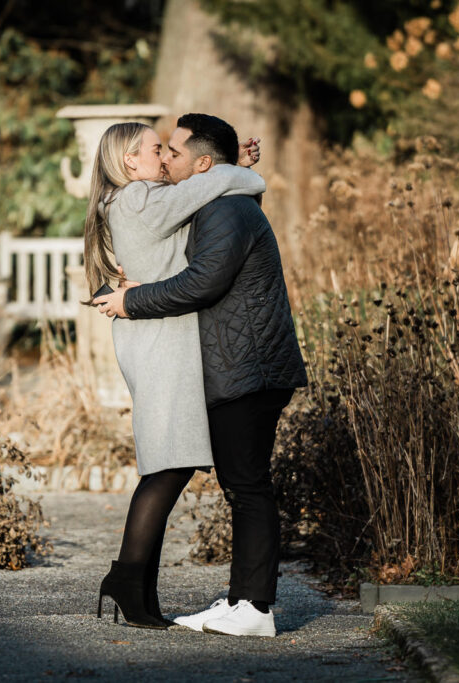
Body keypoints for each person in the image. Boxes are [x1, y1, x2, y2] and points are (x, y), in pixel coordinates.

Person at [93, 113, 308, 638]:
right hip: (168, 344)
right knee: (173, 469)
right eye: (156, 148)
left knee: (218, 478)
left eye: (172, 150)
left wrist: (132, 296)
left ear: (203, 163)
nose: (165, 157)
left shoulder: (207, 206)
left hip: (233, 361)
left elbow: (208, 264)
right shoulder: (142, 198)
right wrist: (238, 170)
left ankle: (245, 607)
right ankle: (147, 588)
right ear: (130, 160)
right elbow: (214, 212)